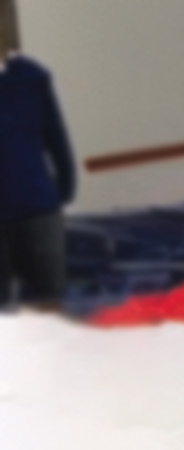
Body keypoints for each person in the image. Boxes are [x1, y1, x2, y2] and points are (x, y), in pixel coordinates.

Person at [0, 37, 76, 314]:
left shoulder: (31, 78)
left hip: (38, 210)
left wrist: (63, 192)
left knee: (49, 308)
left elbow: (56, 137)